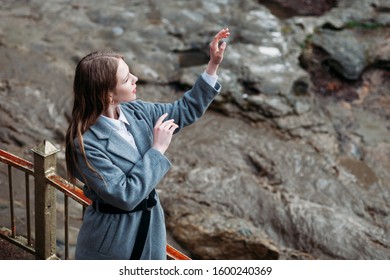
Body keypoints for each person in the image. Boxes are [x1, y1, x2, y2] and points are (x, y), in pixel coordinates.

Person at [65, 28, 230, 260]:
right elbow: (125, 195)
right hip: (114, 240)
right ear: (108, 95)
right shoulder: (85, 145)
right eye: (126, 78)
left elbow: (184, 110)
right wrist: (157, 150)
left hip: (151, 228)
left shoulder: (138, 111)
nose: (135, 79)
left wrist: (212, 66)